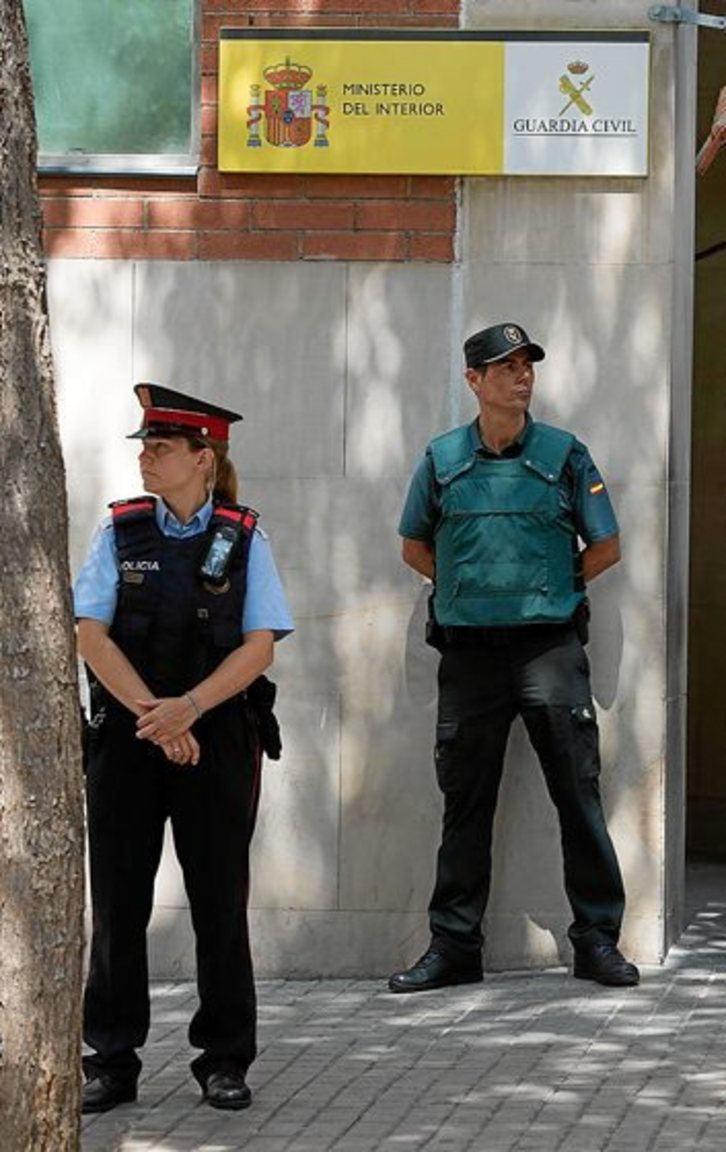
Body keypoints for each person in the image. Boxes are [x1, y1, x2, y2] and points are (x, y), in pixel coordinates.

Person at [389, 322, 638, 994]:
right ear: (474, 380)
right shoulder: (442, 459)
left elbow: (606, 546)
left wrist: (554, 585)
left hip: (548, 648)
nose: (521, 375)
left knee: (578, 796)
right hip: (470, 654)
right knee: (465, 805)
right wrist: (465, 587)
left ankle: (597, 940)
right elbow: (413, 546)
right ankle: (454, 946)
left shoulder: (565, 454)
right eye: (505, 367)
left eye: (527, 364)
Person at [75, 383, 293, 1113]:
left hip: (218, 740)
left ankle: (224, 1059)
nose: (147, 458)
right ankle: (111, 1061)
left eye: (162, 447)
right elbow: (90, 635)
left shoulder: (245, 537)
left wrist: (190, 709)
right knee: (118, 904)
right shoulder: (119, 532)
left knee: (219, 904)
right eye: (145, 446)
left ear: (204, 458)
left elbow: (259, 647)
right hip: (130, 740)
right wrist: (155, 717)